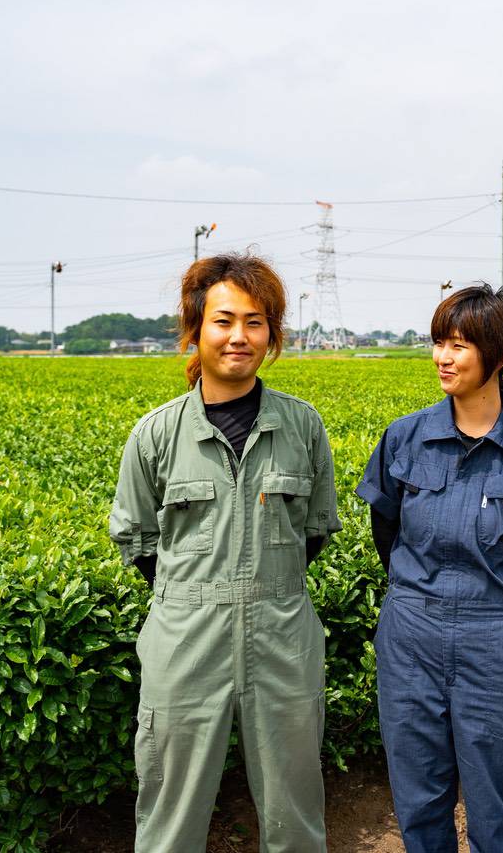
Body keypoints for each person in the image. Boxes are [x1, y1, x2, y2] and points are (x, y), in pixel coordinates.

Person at [108, 253, 339, 853]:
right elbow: (137, 539)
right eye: (224, 320)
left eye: (256, 322)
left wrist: (263, 582)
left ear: (273, 334)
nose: (240, 337)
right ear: (196, 327)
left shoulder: (303, 426)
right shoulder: (155, 434)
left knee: (295, 808)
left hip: (283, 632)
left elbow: (314, 530)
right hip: (185, 636)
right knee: (171, 809)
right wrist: (195, 593)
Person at [357, 284, 503, 853]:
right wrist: (420, 593)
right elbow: (388, 529)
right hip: (411, 633)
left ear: (499, 357)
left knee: (497, 800)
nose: (442, 358)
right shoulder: (405, 438)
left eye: (458, 345)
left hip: (496, 636)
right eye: (438, 342)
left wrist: (483, 600)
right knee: (419, 796)